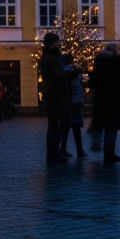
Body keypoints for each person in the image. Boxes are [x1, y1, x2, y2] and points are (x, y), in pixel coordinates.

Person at [90, 44, 120, 164]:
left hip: (102, 100)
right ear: (115, 51)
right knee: (112, 128)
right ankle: (109, 153)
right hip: (114, 100)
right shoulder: (117, 62)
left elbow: (92, 82)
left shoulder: (99, 63)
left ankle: (106, 151)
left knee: (104, 126)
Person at [39, 33, 69, 163]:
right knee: (54, 126)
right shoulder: (49, 58)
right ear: (51, 43)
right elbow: (55, 76)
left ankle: (53, 153)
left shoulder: (52, 56)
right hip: (54, 95)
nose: (59, 44)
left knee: (55, 125)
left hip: (56, 94)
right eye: (57, 42)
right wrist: (69, 74)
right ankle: (52, 154)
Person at [59, 54, 87, 158]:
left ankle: (63, 149)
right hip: (74, 103)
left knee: (66, 128)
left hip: (70, 102)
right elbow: (76, 88)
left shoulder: (67, 71)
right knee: (75, 127)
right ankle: (79, 150)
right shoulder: (72, 72)